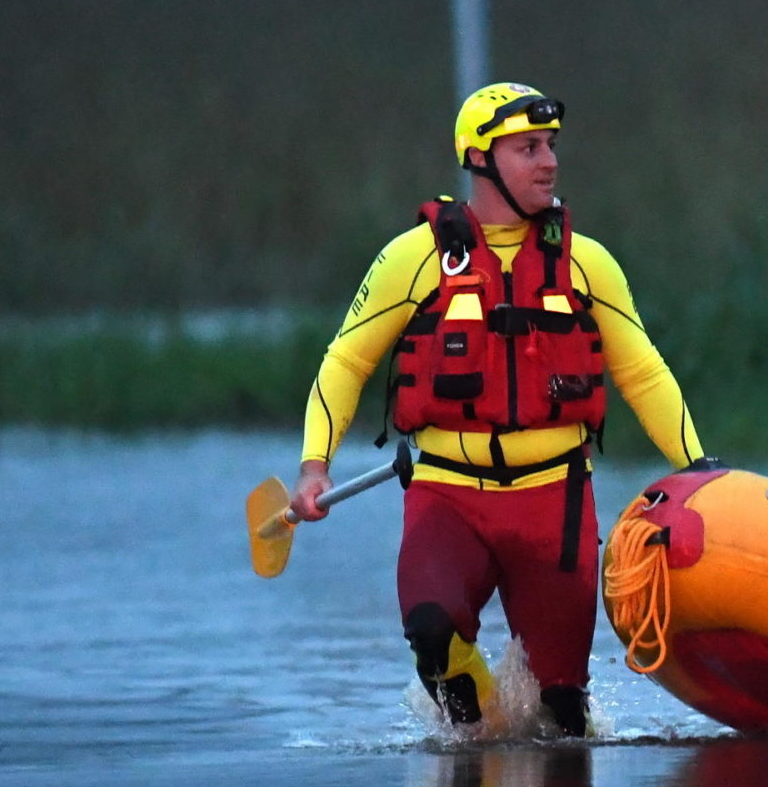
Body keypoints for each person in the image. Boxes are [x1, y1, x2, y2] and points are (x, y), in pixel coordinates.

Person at [289, 84, 713, 736]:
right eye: (528, 149)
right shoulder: (416, 257)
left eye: (551, 147)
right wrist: (314, 468)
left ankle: (537, 776)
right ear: (481, 160)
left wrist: (699, 470)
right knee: (431, 631)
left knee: (560, 713)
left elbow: (643, 372)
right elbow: (345, 361)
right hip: (448, 494)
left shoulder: (587, 262)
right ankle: (479, 745)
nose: (549, 162)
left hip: (556, 499)